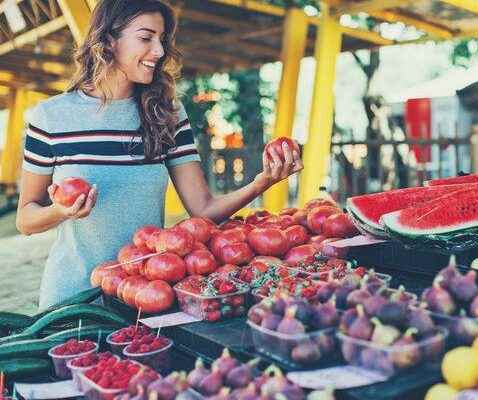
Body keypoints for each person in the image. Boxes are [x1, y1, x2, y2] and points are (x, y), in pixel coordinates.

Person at [15, 0, 302, 310]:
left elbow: (203, 209)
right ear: (109, 40)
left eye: (162, 40)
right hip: (71, 299)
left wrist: (262, 183)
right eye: (145, 37)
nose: (159, 51)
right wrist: (61, 211)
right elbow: (25, 219)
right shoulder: (51, 117)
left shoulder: (166, 114)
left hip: (146, 297)